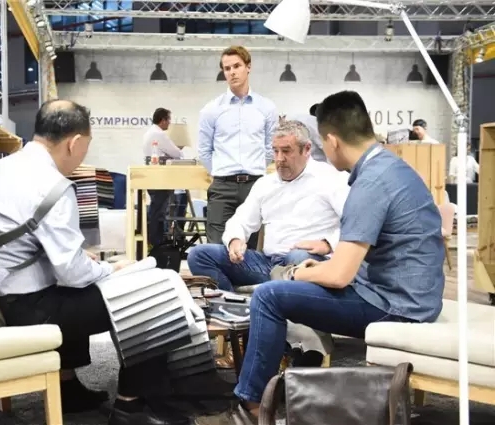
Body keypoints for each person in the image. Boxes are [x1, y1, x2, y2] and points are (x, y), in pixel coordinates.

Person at [0, 100, 192, 425]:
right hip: (22, 308)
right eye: (86, 146)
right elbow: (73, 273)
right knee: (151, 293)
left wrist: (82, 261)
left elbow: (18, 243)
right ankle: (133, 405)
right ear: (75, 142)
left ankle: (66, 387)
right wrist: (112, 268)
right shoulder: (52, 184)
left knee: (75, 287)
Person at [222, 90, 445, 423]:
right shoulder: (389, 167)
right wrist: (316, 268)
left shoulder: (371, 183)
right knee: (292, 281)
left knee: (269, 296)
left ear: (332, 141)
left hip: (397, 304)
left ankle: (251, 405)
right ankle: (287, 365)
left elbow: (339, 275)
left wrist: (296, 273)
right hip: (407, 293)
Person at [187, 119, 349, 292]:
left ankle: (277, 292)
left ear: (307, 149)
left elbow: (358, 223)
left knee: (298, 257)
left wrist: (328, 244)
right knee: (199, 255)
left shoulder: (331, 179)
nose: (279, 159)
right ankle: (231, 302)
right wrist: (235, 240)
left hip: (308, 263)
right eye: (275, 151)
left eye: (286, 151)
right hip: (268, 264)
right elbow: (241, 220)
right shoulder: (265, 184)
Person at [198, 45, 277, 249]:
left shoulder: (267, 108)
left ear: (248, 67)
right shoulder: (211, 110)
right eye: (227, 68)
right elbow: (204, 151)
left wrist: (255, 168)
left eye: (236, 66)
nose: (232, 72)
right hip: (222, 186)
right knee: (216, 249)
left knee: (247, 251)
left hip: (254, 185)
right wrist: (220, 172)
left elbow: (270, 148)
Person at [142, 107, 183, 247]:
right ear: (162, 120)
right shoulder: (159, 135)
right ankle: (158, 242)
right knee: (159, 212)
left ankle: (155, 241)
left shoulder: (149, 132)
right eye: (168, 119)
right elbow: (177, 154)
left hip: (152, 177)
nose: (169, 123)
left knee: (156, 210)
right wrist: (178, 149)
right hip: (160, 178)